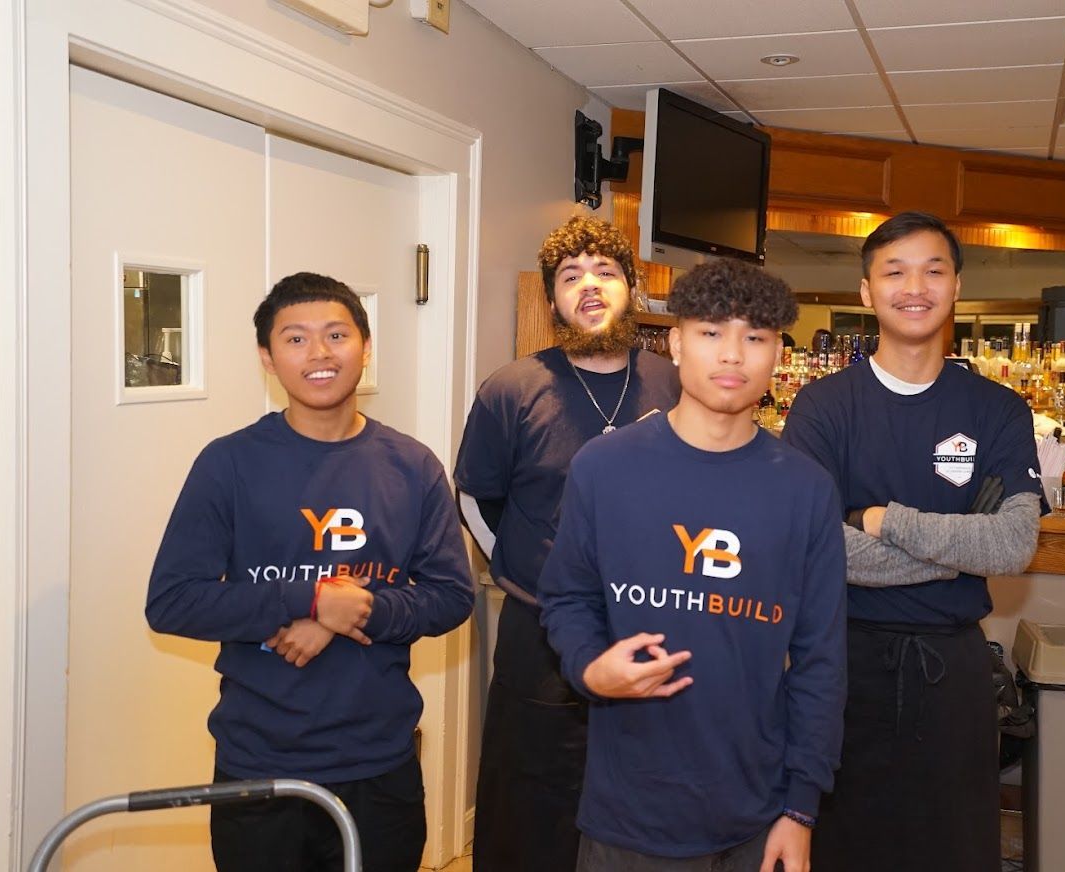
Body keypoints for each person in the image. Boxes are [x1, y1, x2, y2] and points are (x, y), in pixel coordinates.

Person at [146, 272, 474, 872]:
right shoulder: (229, 464)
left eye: (336, 335)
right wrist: (310, 598)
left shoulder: (411, 466)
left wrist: (360, 607)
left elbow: (452, 596)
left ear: (365, 347)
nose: (319, 354)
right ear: (267, 359)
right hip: (259, 763)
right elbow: (173, 601)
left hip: (379, 762)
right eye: (295, 340)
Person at [539, 258, 847, 872]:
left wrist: (801, 808)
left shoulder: (806, 490)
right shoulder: (604, 467)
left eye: (755, 337)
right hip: (627, 809)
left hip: (756, 813)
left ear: (777, 354)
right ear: (675, 344)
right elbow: (568, 599)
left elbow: (820, 659)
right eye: (711, 332)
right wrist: (591, 669)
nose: (733, 354)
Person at [781, 211, 1044, 872]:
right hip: (839, 665)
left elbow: (1011, 546)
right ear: (866, 292)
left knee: (950, 851)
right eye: (893, 271)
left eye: (932, 269)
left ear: (956, 285)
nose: (913, 286)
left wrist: (881, 519)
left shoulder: (997, 409)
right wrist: (954, 555)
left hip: (951, 671)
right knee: (841, 846)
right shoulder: (821, 407)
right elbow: (812, 551)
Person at [453, 216, 681, 872]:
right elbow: (475, 496)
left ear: (630, 289)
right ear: (551, 299)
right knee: (530, 796)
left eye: (605, 272)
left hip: (648, 619)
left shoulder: (672, 384)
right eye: (570, 276)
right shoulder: (512, 388)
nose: (589, 286)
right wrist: (528, 574)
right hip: (540, 629)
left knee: (637, 785)